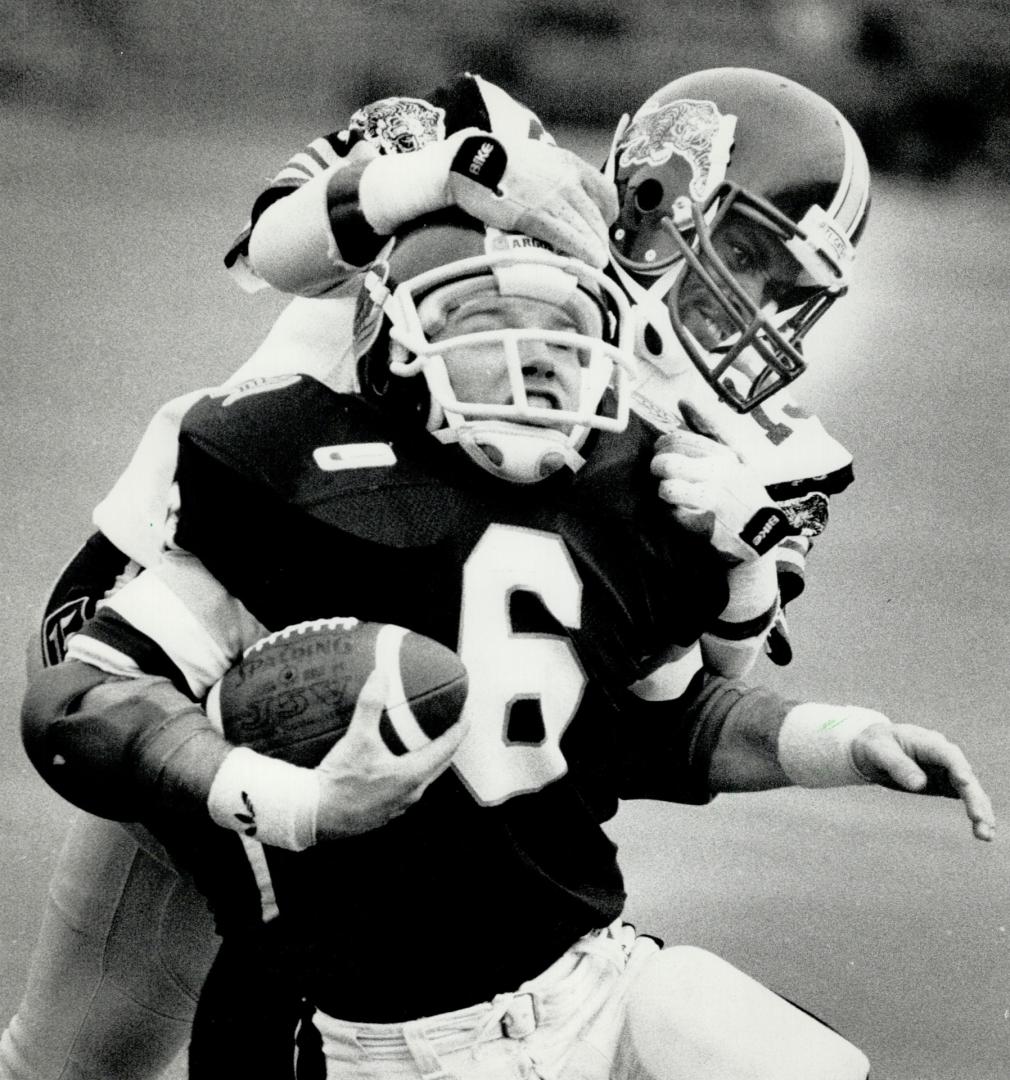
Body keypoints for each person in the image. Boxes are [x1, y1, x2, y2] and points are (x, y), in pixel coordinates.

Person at [3, 68, 866, 1079]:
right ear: (665, 191)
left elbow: (693, 709)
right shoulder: (490, 175)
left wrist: (744, 552)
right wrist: (457, 173)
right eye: (749, 254)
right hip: (191, 640)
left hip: (420, 735)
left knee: (173, 1032)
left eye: (784, 289)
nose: (754, 303)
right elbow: (272, 242)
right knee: (153, 1025)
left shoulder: (757, 450)